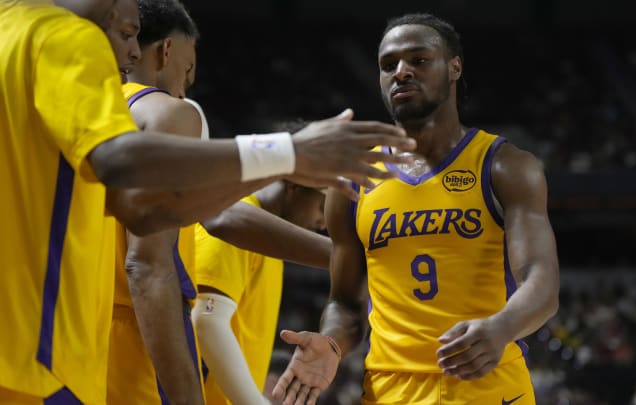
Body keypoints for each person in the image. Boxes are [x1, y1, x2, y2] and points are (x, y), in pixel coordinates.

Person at [0, 0, 415, 402]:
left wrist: (345, 252)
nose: (128, 47)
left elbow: (152, 210)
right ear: (168, 52)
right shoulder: (157, 103)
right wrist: (287, 152)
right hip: (65, 345)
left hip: (63, 339)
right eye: (125, 31)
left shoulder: (14, 34)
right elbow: (150, 258)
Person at [272, 13, 559, 405]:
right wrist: (331, 344)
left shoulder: (506, 166)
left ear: (454, 66)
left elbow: (541, 282)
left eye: (418, 60)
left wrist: (502, 327)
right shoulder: (353, 179)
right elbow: (345, 304)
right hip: (390, 390)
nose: (401, 72)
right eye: (389, 65)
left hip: (491, 386)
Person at [106, 1, 205, 404]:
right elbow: (146, 266)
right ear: (166, 52)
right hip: (138, 331)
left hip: (64, 327)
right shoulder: (169, 114)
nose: (184, 89)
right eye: (187, 70)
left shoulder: (79, 107)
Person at [193, 179, 331, 405]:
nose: (323, 223)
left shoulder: (269, 243)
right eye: (322, 207)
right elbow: (207, 320)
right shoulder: (238, 222)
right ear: (295, 185)